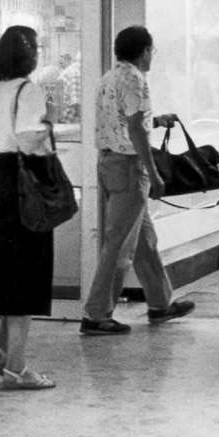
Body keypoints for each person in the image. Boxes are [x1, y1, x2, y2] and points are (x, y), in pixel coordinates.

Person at [81, 25, 195, 335]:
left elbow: (124, 121)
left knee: (144, 240)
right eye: (151, 51)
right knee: (119, 245)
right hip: (129, 167)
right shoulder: (134, 79)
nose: (152, 57)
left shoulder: (109, 78)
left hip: (108, 162)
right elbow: (134, 129)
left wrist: (155, 120)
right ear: (144, 51)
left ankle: (160, 303)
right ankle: (96, 314)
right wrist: (154, 172)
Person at [0, 25, 56, 390]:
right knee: (25, 270)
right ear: (30, 56)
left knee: (2, 268)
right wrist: (49, 134)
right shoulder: (28, 90)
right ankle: (17, 369)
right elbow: (30, 140)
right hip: (19, 184)